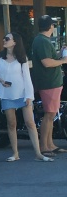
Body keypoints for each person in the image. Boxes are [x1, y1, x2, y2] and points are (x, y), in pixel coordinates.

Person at [0, 32, 52, 162]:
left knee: (30, 122)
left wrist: (29, 95)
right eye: (4, 38)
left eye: (7, 38)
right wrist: (0, 80)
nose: (4, 40)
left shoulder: (22, 57)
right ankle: (15, 153)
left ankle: (38, 153)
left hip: (22, 93)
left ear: (15, 42)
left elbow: (27, 78)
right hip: (7, 94)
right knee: (11, 123)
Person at [30, 15, 67, 156]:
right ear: (51, 26)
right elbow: (47, 62)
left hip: (52, 82)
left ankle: (50, 144)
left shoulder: (41, 41)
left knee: (52, 115)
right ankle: (44, 146)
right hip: (49, 83)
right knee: (49, 114)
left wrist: (59, 53)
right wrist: (63, 60)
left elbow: (48, 58)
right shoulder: (42, 41)